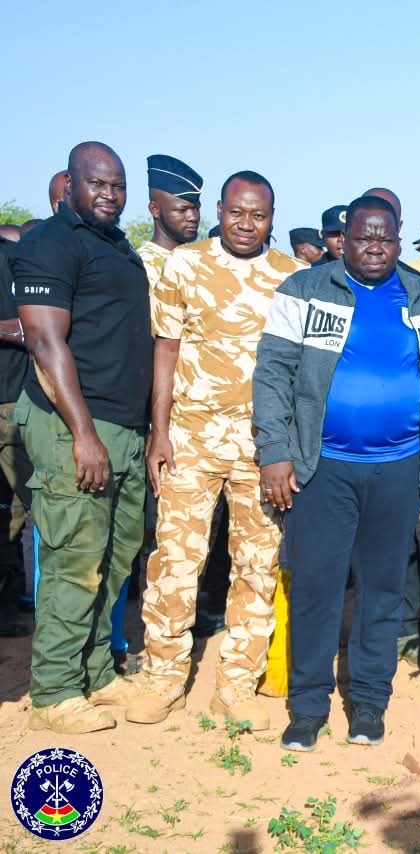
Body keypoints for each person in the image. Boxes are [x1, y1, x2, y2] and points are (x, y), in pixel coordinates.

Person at [254, 195, 420, 751]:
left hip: (399, 470)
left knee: (382, 591)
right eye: (363, 237)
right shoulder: (305, 290)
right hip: (322, 469)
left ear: (398, 239)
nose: (374, 247)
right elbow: (273, 372)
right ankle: (308, 707)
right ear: (344, 240)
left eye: (385, 238)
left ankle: (370, 704)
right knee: (317, 588)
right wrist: (274, 450)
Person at [123, 171, 306, 729]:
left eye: (258, 215)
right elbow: (165, 349)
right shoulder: (184, 264)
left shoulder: (292, 277)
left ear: (272, 219)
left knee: (256, 566)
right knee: (175, 562)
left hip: (261, 446)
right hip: (190, 436)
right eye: (236, 212)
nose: (246, 224)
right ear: (219, 211)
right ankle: (163, 679)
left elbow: (298, 369)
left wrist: (287, 446)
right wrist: (159, 431)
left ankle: (236, 685)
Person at [12, 142, 152, 733]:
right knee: (74, 561)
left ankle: (95, 672)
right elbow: (45, 344)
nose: (110, 195)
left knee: (114, 559)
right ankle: (53, 692)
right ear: (70, 184)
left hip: (124, 428)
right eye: (98, 183)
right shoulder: (51, 242)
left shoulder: (115, 243)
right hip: (73, 426)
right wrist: (84, 434)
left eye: (118, 186)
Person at [0, 242, 31, 638]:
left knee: (18, 512)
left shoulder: (16, 258)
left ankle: (10, 604)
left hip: (14, 404)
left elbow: (40, 325)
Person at [136, 155, 203, 288]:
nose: (193, 217)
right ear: (155, 210)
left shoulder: (199, 260)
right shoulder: (142, 266)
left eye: (196, 208)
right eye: (182, 210)